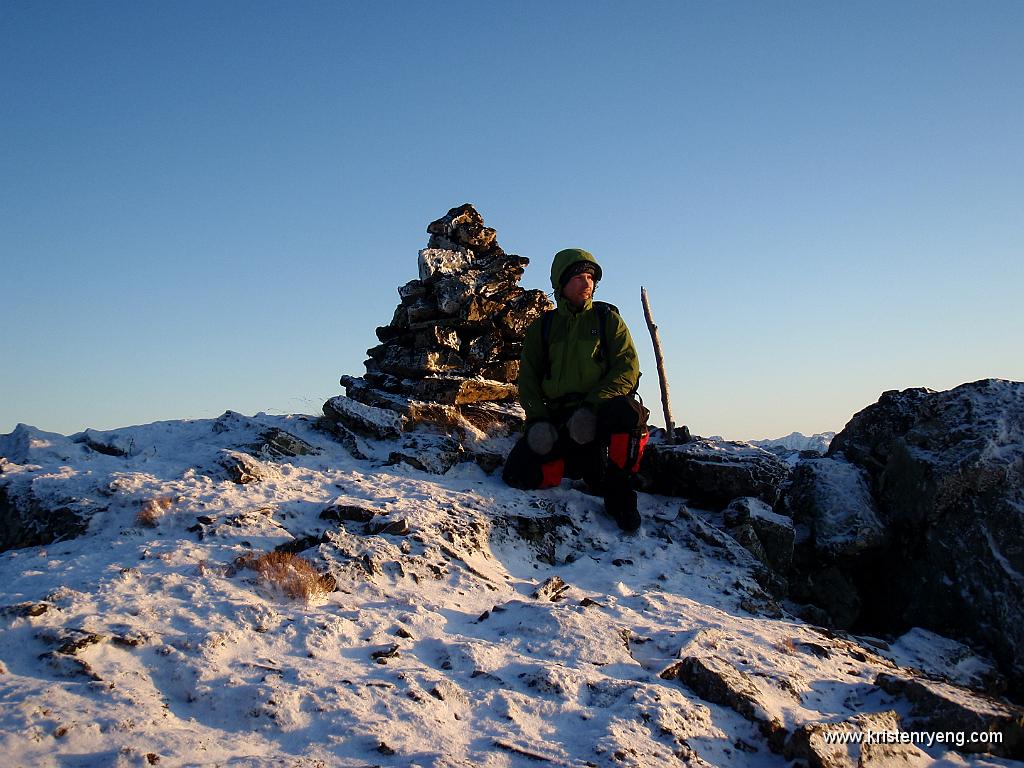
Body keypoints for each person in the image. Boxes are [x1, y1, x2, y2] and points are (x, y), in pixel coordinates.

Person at [503, 247, 649, 532]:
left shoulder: (607, 320)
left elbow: (627, 370)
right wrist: (538, 419)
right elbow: (528, 380)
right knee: (517, 473)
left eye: (590, 278)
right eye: (579, 277)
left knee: (629, 414)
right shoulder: (543, 328)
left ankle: (619, 493)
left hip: (600, 412)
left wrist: (591, 406)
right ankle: (576, 466)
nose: (587, 283)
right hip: (561, 417)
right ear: (561, 283)